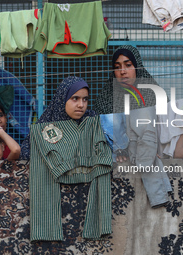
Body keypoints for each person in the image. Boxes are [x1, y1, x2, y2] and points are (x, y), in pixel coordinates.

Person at [29, 76, 112, 241]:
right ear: (62, 99)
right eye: (75, 99)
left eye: (85, 99)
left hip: (87, 212)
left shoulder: (94, 123)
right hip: (55, 214)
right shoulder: (46, 126)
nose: (81, 105)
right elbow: (26, 151)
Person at [93, 45, 158, 162]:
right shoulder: (106, 98)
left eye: (128, 65)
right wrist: (117, 150)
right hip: (117, 158)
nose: (122, 71)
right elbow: (97, 134)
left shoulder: (152, 93)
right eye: (117, 67)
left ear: (137, 67)